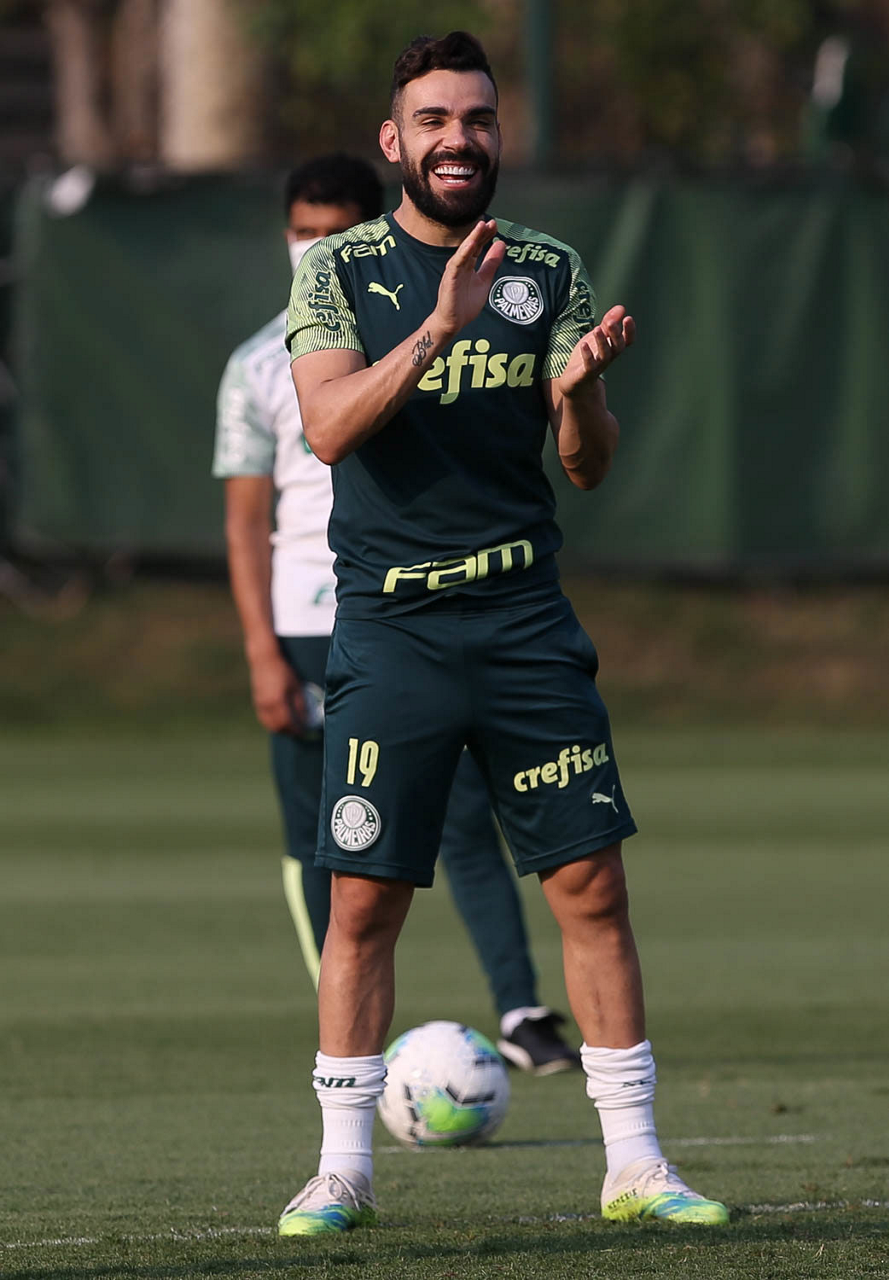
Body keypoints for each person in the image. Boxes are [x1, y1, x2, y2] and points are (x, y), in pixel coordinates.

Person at [277, 35, 731, 1236]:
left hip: (524, 618)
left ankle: (635, 1163)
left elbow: (586, 465)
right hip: (393, 626)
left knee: (590, 882)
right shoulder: (338, 270)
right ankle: (341, 1170)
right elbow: (329, 427)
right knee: (363, 899)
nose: (457, 139)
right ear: (395, 141)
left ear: (495, 135)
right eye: (433, 120)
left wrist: (577, 395)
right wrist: (437, 326)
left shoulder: (545, 267)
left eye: (476, 119)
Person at [213, 153, 580, 1079]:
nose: (314, 246)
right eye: (301, 230)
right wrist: (260, 648)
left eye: (332, 229)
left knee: (466, 820)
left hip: (409, 603)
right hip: (309, 620)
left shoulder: (421, 317)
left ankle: (521, 1008)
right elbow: (247, 519)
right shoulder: (254, 366)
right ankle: (344, 1034)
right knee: (333, 844)